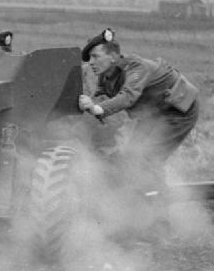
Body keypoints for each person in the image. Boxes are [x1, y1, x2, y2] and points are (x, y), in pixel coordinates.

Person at [77, 27, 199, 193]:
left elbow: (128, 96)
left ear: (113, 57)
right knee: (131, 157)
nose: (90, 62)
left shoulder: (136, 67)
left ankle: (159, 212)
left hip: (178, 111)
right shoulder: (106, 75)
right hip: (154, 114)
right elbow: (99, 96)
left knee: (147, 159)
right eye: (89, 58)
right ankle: (139, 196)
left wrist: (96, 108)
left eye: (95, 56)